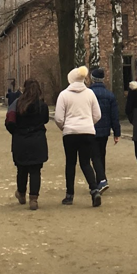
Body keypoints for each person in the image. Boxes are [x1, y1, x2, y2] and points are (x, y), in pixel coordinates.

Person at [54, 65, 103, 207]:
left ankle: (69, 195)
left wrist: (64, 127)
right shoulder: (90, 94)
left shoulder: (64, 95)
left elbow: (58, 117)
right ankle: (94, 190)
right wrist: (88, 123)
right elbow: (97, 115)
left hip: (70, 132)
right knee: (86, 162)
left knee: (70, 163)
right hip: (87, 132)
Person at [6, 78, 49, 210]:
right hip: (37, 140)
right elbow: (46, 120)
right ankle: (34, 198)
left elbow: (9, 123)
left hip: (21, 140)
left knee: (22, 169)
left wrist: (16, 133)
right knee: (36, 171)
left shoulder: (17, 104)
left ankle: (21, 193)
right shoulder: (42, 106)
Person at [87, 67, 120, 191]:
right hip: (105, 130)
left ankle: (101, 179)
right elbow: (114, 116)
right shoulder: (109, 95)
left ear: (93, 79)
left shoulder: (88, 93)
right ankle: (100, 179)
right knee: (101, 154)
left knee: (94, 155)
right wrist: (117, 132)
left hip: (91, 128)